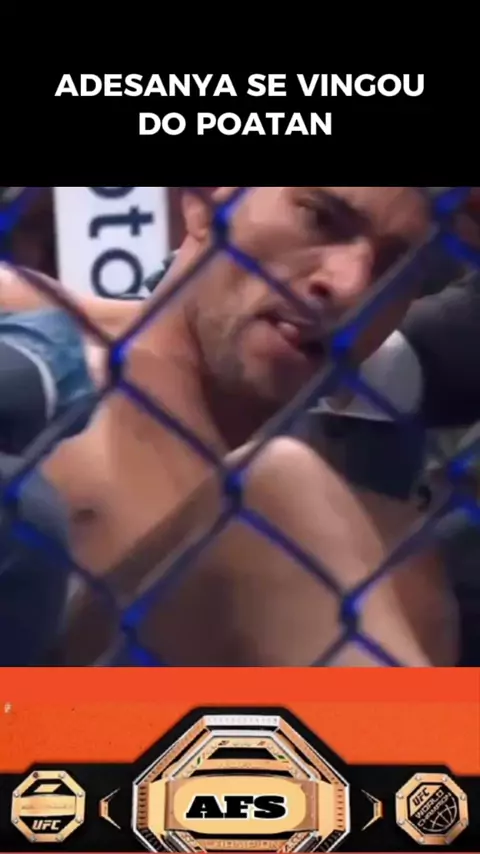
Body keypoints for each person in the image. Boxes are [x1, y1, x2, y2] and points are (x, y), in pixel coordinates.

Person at [0, 187, 459, 667]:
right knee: (280, 491)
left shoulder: (398, 561)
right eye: (320, 219)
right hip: (47, 707)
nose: (350, 286)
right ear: (207, 202)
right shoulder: (47, 372)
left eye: (397, 267)